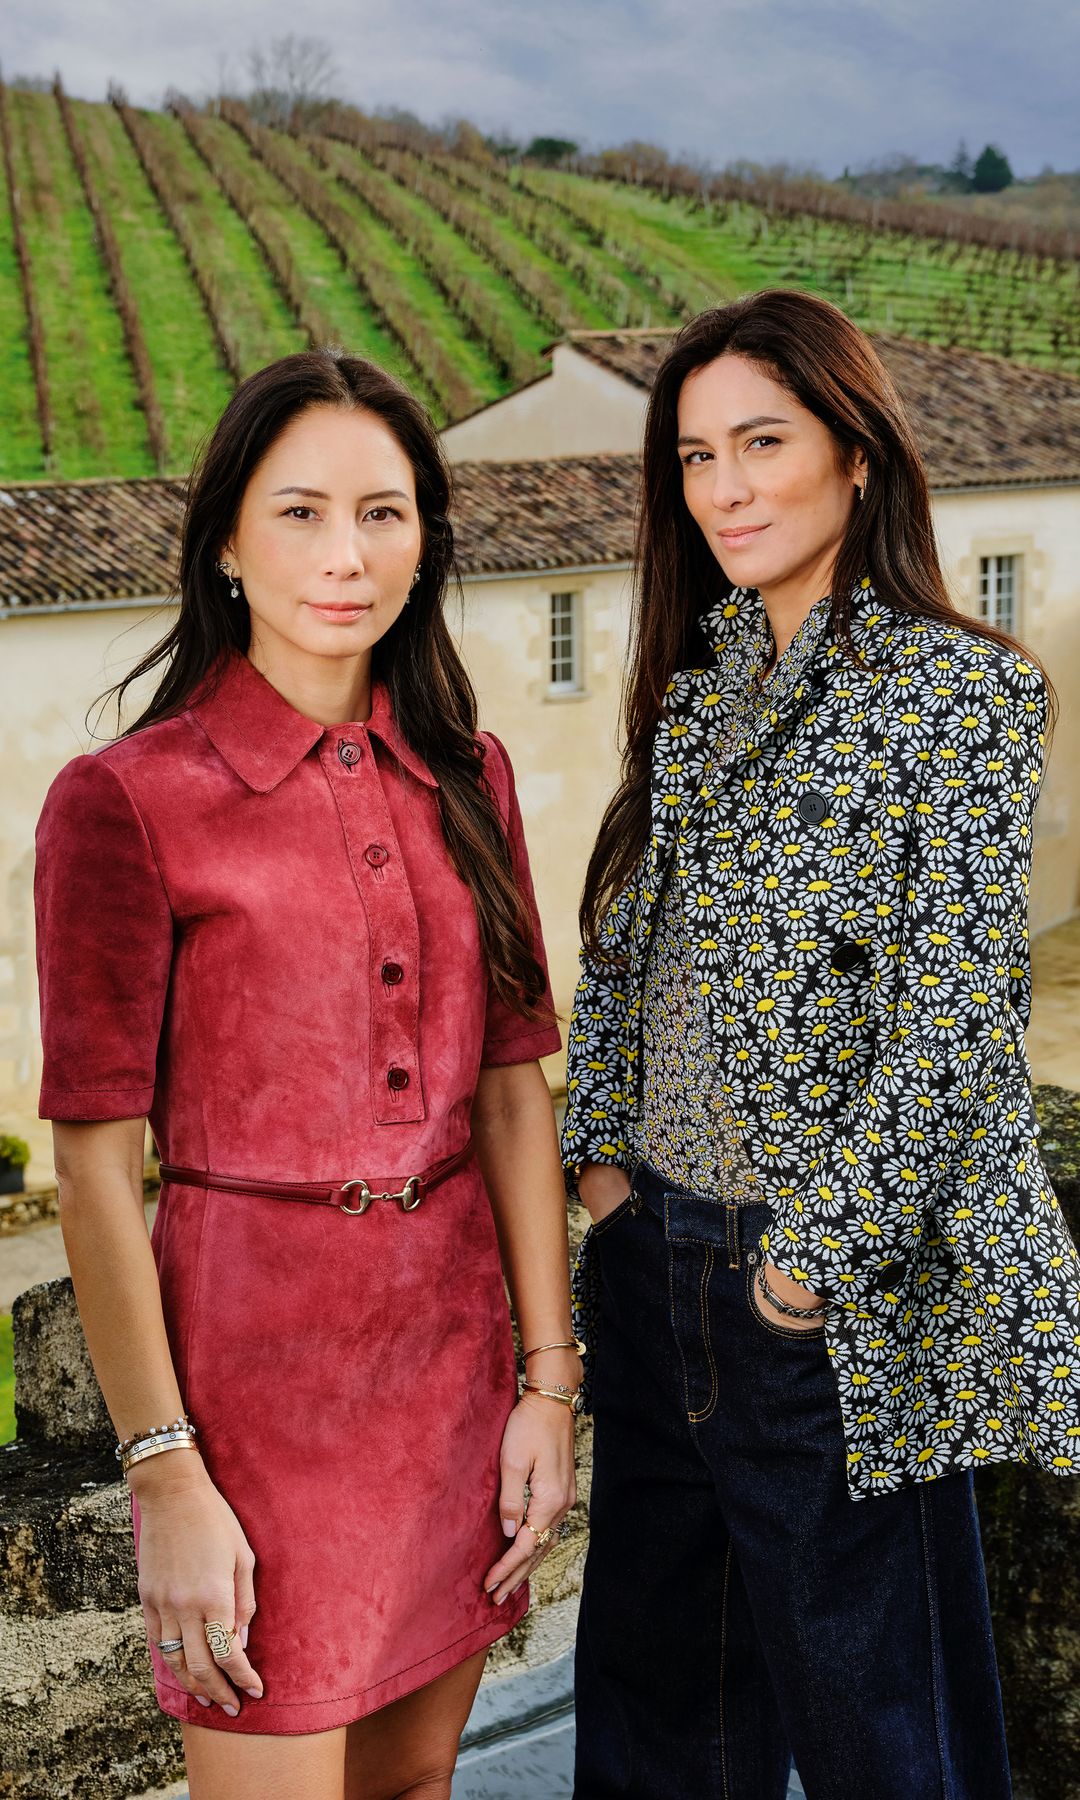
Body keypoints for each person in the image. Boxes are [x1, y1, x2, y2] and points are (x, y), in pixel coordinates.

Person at [34, 351, 581, 1800]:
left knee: (414, 1786)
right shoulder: (125, 802)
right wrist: (165, 1469)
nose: (348, 556)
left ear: (427, 535)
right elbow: (95, 1162)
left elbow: (515, 1086)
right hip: (253, 1409)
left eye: (386, 513)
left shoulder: (475, 771)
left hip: (454, 1374)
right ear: (225, 538)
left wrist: (549, 1383)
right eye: (300, 513)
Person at [561, 289, 1080, 1800]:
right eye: (694, 454)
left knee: (888, 1747)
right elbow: (628, 950)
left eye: (761, 443)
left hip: (826, 1307)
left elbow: (955, 1024)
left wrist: (805, 1272)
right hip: (656, 1273)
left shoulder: (960, 694)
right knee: (659, 1738)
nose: (721, 486)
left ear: (858, 455)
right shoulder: (698, 684)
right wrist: (604, 1190)